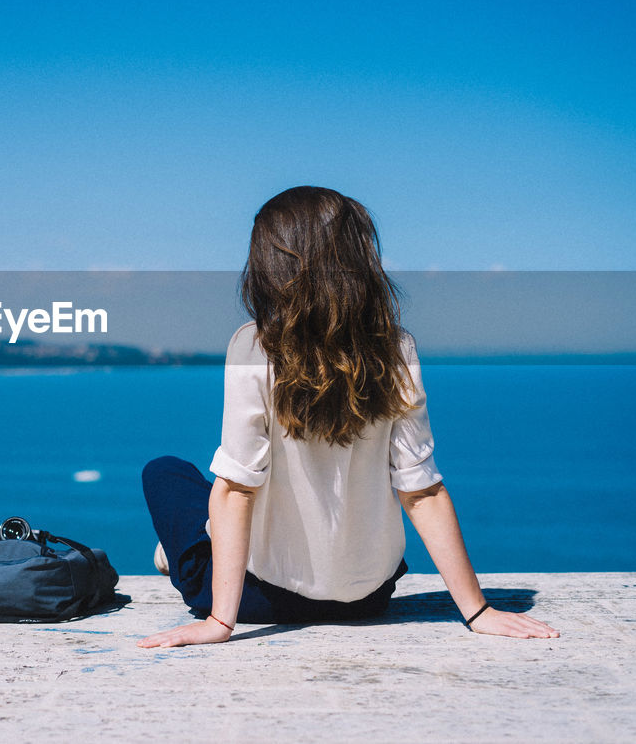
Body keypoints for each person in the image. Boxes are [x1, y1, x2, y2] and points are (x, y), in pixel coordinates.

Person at [138, 186, 559, 648]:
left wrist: (220, 622)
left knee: (167, 472)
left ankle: (190, 550)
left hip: (265, 601)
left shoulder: (253, 346)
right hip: (369, 598)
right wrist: (478, 612)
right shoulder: (396, 348)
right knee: (216, 491)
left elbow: (237, 488)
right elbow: (423, 490)